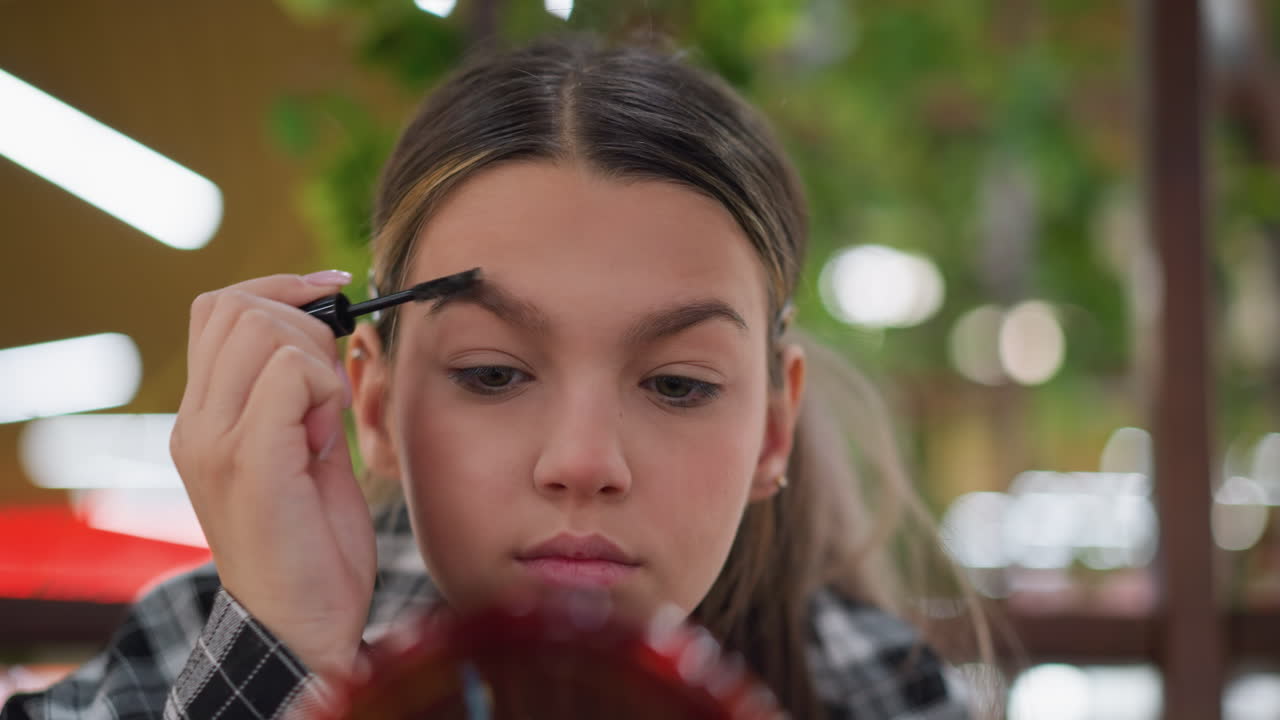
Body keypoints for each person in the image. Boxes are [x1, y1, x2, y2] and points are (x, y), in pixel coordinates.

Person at [3, 35, 983, 720]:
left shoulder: (873, 694)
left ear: (772, 428)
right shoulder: (199, 656)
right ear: (375, 406)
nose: (582, 462)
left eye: (677, 385)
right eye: (492, 373)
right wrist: (288, 659)